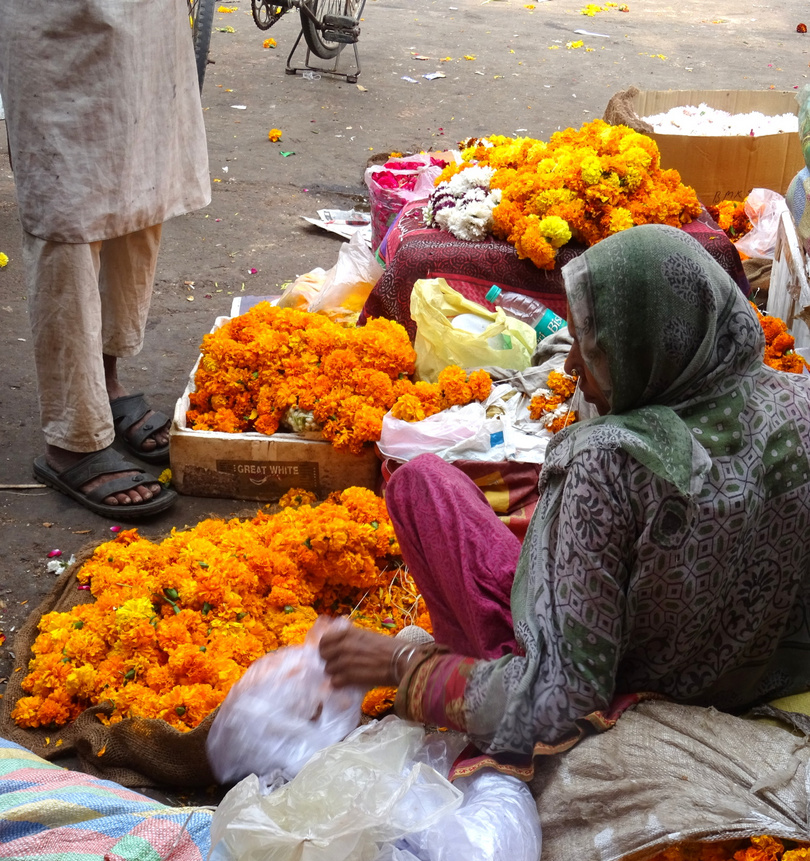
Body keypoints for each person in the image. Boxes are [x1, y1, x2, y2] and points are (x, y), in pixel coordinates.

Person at [320, 224, 810, 773]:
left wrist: (405, 665)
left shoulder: (610, 463)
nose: (573, 364)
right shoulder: (803, 406)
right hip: (765, 671)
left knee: (420, 484)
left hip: (627, 701)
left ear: (650, 350)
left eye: (591, 346)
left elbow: (559, 699)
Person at [0, 0, 211, 519]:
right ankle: (73, 435)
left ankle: (105, 381)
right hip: (54, 19)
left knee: (141, 189)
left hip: (148, 17)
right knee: (67, 206)